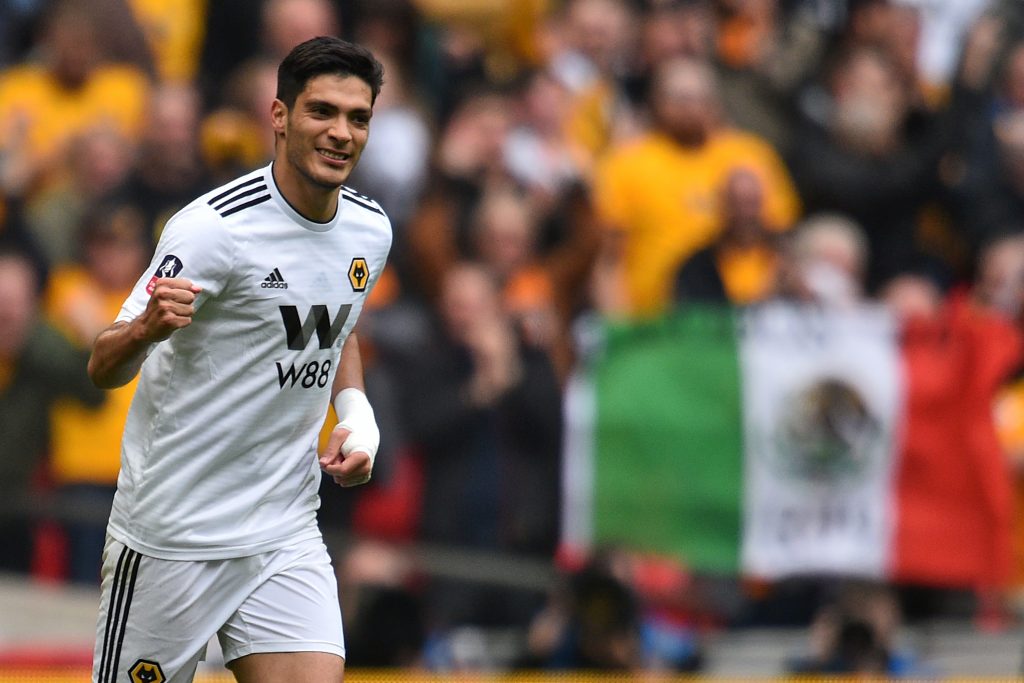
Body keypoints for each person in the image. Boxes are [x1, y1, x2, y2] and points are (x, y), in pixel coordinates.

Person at [85, 36, 391, 683]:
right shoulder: (213, 229)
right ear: (279, 117)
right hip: (173, 537)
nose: (341, 133)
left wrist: (357, 416)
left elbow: (339, 329)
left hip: (283, 530)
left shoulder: (370, 229)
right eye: (323, 112)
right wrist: (144, 328)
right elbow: (102, 365)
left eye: (357, 117)